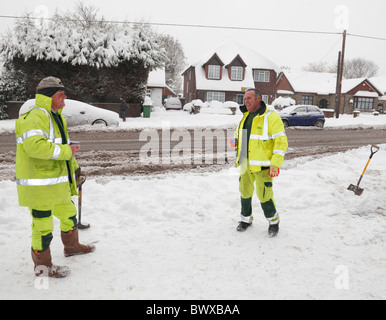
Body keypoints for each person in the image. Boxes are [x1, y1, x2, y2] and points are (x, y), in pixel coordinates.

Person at [15, 76, 95, 278]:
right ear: (48, 96)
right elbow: (35, 147)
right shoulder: (35, 117)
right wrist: (67, 151)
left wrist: (75, 168)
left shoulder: (56, 117)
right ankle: (43, 267)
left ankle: (72, 246)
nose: (64, 101)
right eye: (61, 95)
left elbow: (63, 149)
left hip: (55, 185)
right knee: (43, 227)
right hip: (39, 187)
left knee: (69, 214)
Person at [233, 89, 288, 237]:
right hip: (245, 163)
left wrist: (275, 164)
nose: (246, 101)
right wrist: (235, 140)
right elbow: (239, 133)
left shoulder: (271, 117)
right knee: (244, 192)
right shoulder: (245, 116)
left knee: (264, 195)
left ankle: (273, 221)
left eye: (249, 98)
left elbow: (281, 142)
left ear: (258, 99)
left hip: (263, 166)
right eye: (245, 99)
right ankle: (246, 219)